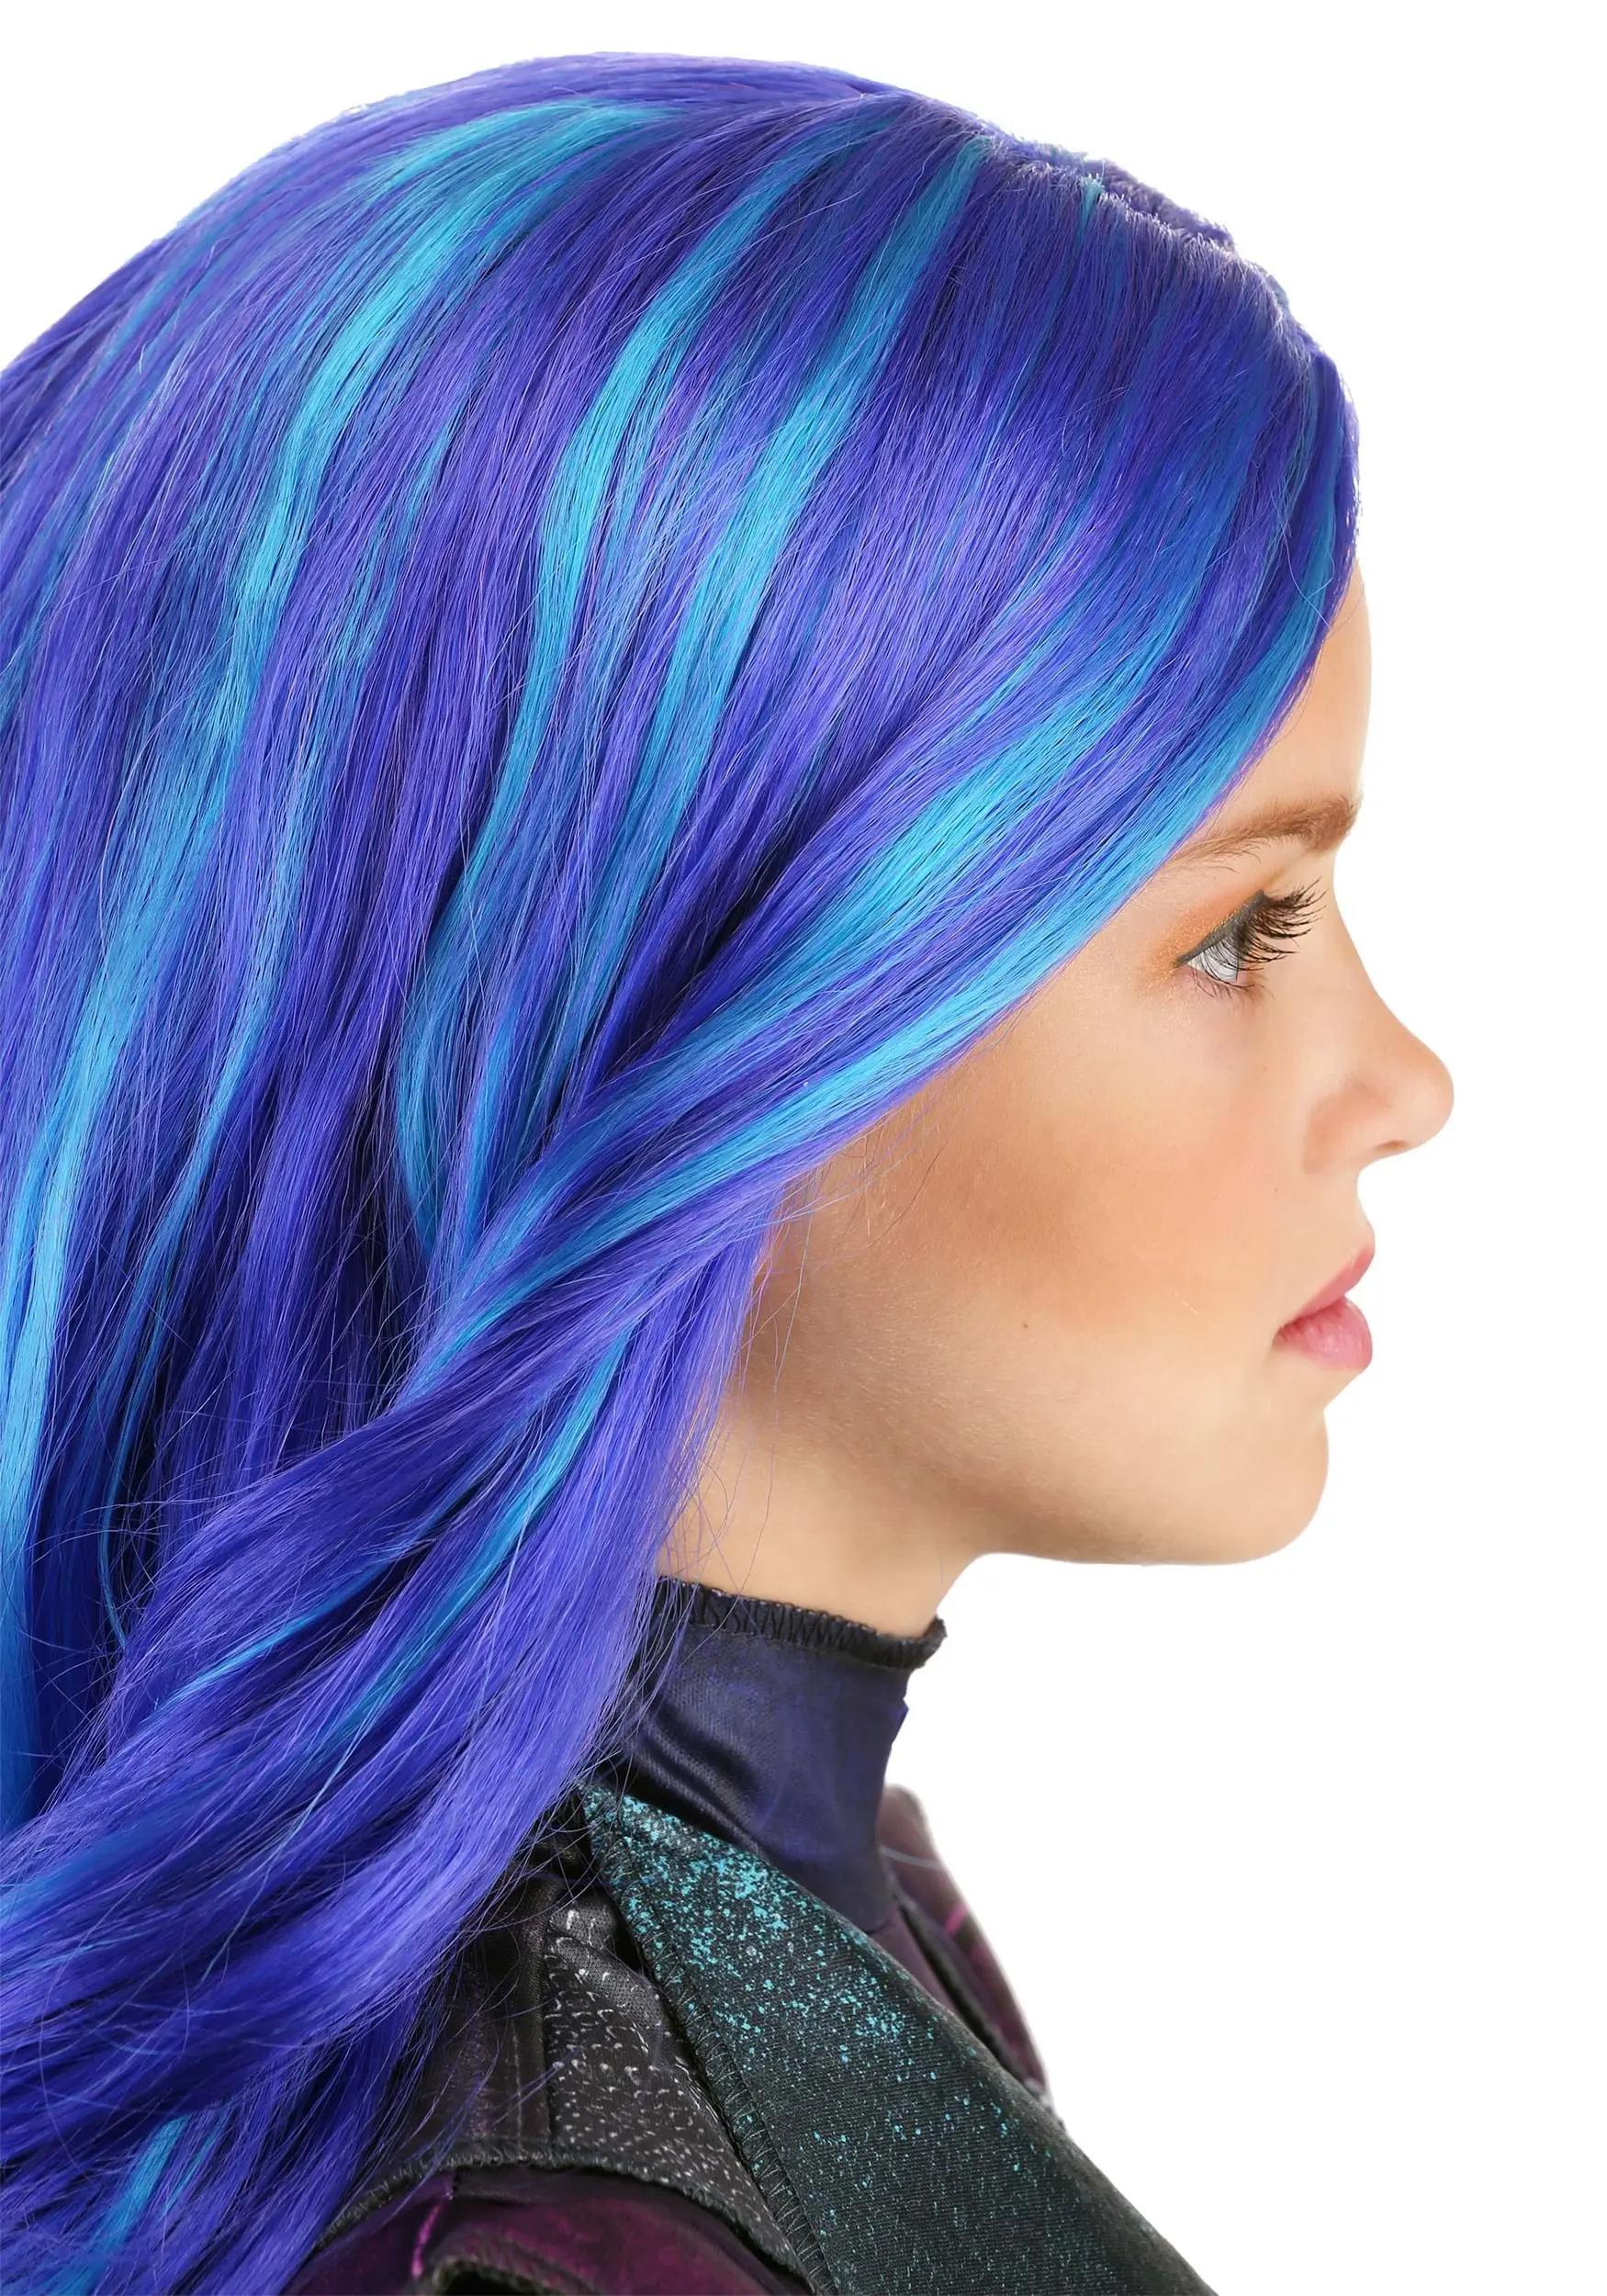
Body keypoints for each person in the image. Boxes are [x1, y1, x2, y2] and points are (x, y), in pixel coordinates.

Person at [0, 51, 1451, 2296]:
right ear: (689, 1016)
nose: (1404, 1081)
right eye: (1234, 930)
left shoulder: (788, 1941)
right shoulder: (546, 2222)